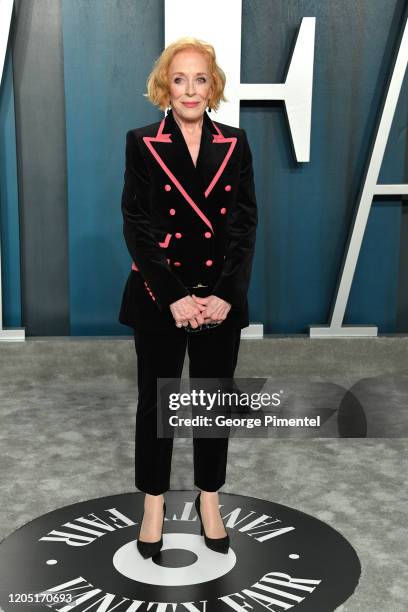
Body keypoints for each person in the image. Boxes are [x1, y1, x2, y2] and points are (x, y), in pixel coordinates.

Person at [119, 36, 258, 558]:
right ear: (165, 86)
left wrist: (224, 294)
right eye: (179, 79)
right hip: (162, 295)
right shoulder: (141, 142)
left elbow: (245, 225)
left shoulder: (236, 142)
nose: (190, 89)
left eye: (200, 78)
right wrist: (174, 296)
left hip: (220, 297)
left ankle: (209, 498)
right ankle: (153, 502)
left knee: (211, 404)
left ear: (213, 85)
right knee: (157, 403)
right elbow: (135, 224)